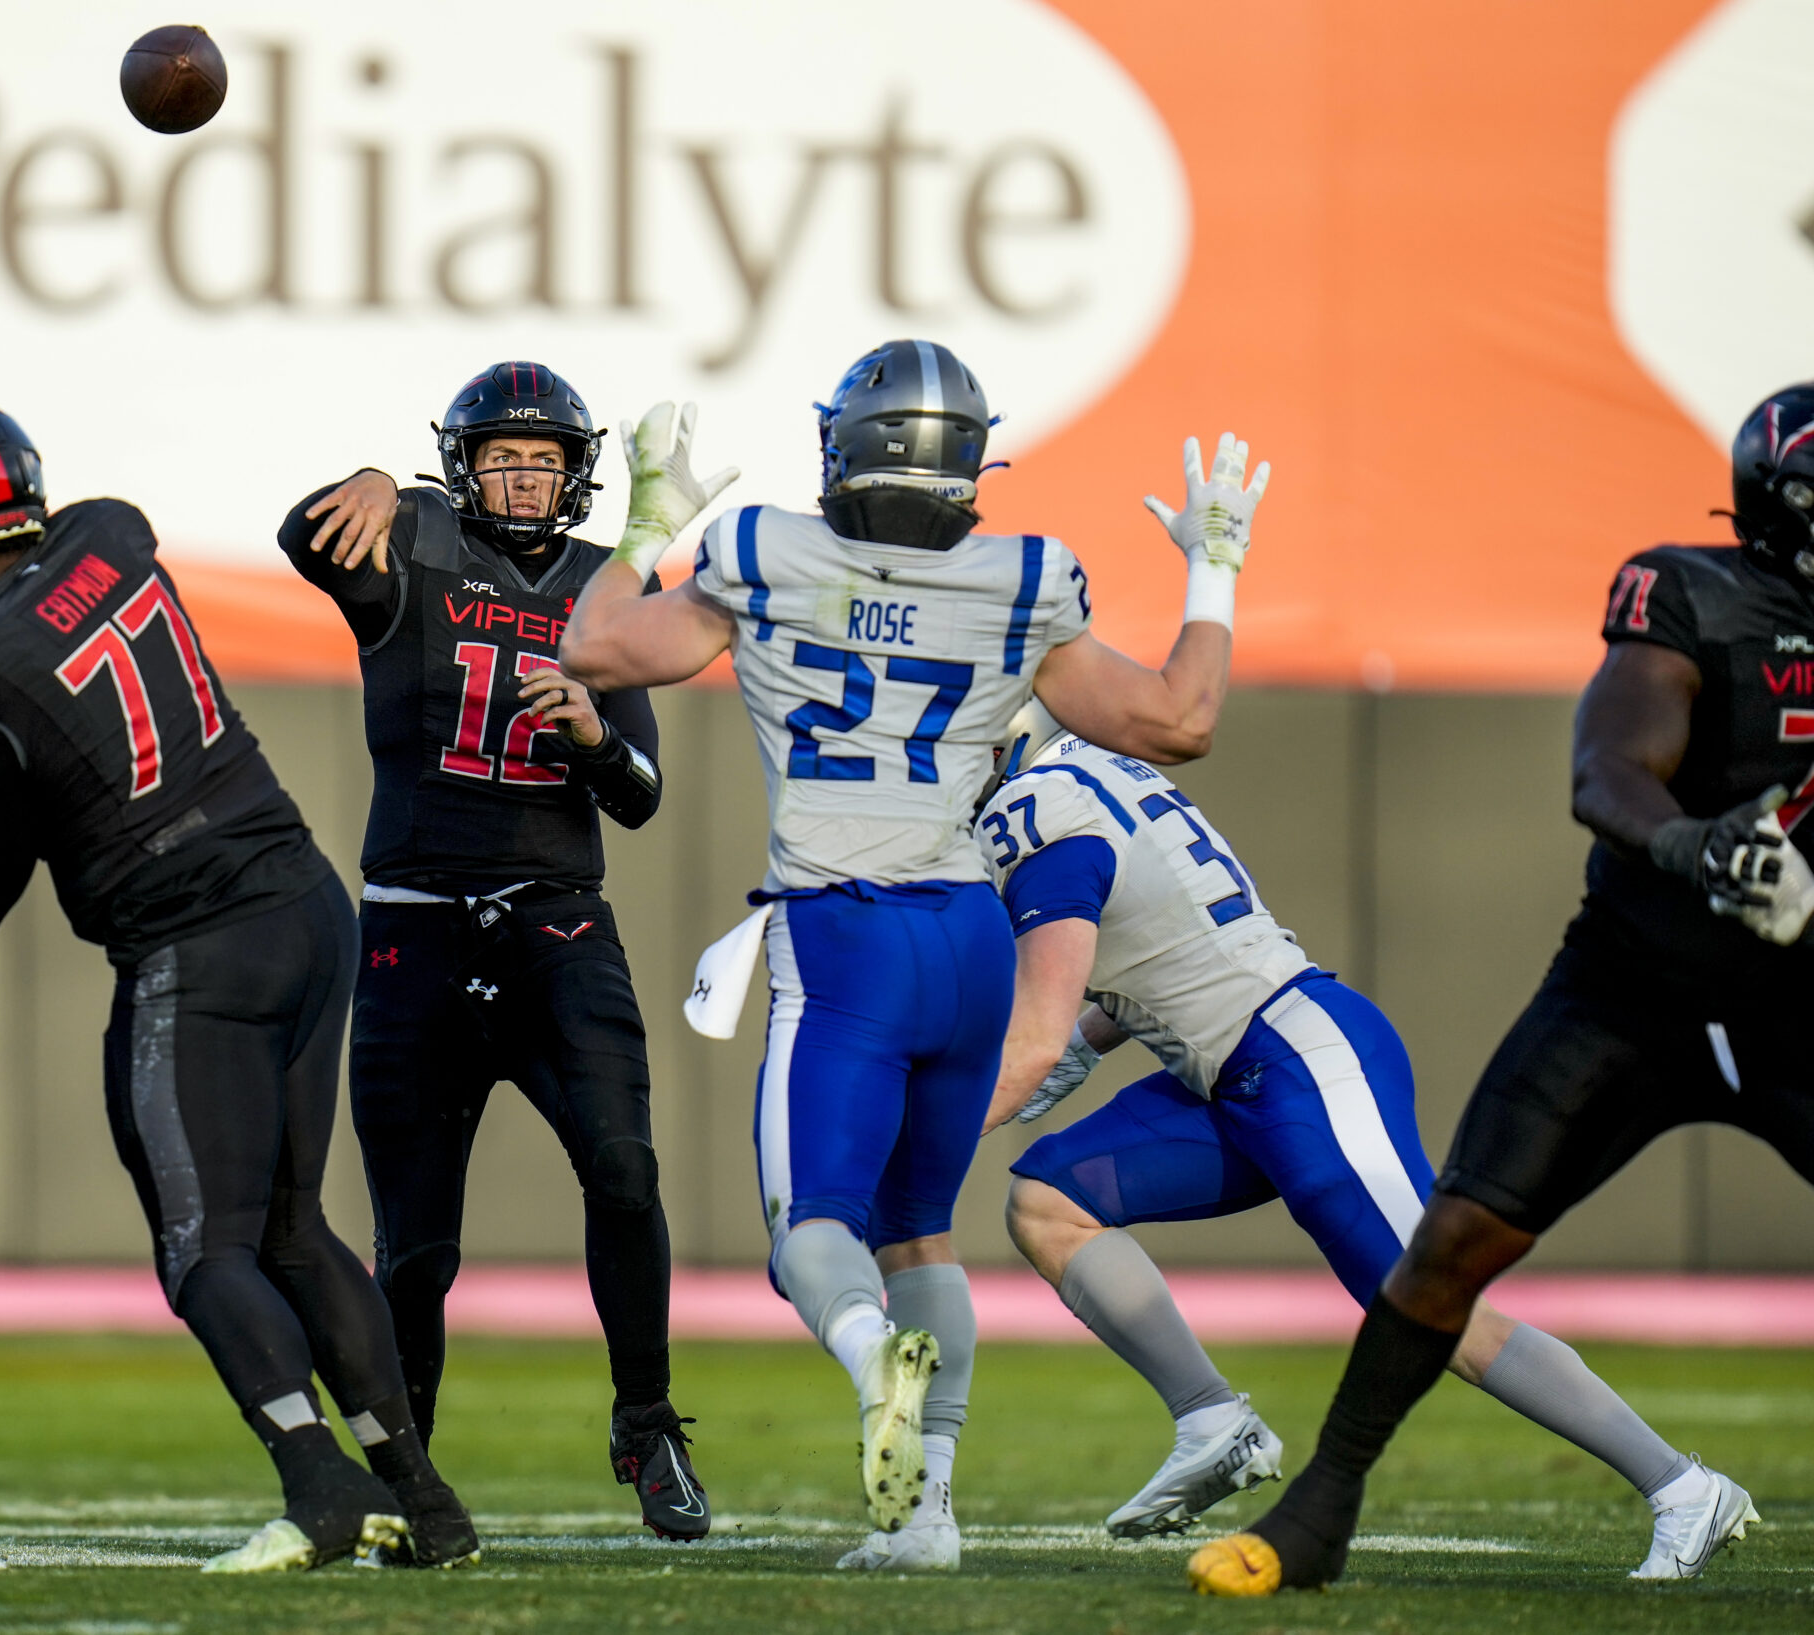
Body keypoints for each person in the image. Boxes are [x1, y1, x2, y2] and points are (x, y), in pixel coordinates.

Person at [0, 396, 479, 1574]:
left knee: (205, 1248)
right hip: (304, 901)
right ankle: (426, 1504)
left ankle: (319, 1484)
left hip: (195, 947)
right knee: (293, 1228)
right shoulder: (108, 535)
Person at [560, 339, 1270, 1569]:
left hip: (848, 935)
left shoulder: (766, 553)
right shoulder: (1022, 579)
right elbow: (1179, 719)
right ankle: (926, 1517)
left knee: (813, 1230)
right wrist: (1211, 567)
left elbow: (598, 649)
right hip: (970, 937)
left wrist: (649, 527)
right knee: (918, 1232)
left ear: (844, 447)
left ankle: (867, 1359)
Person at [1187, 386, 1814, 1597]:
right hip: (1638, 987)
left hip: (1798, 1001)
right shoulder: (1693, 595)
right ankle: (1320, 1510)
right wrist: (1693, 846)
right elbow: (1609, 765)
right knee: (1456, 1237)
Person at [976, 703, 1733, 1572]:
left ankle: (1682, 1486)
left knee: (1431, 1306)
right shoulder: (1093, 774)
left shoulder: (1033, 807)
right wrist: (1079, 1044)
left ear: (1002, 734)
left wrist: (932, 1133)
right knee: (1049, 1201)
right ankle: (1211, 1417)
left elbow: (1036, 1033)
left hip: (1299, 1060)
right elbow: (1164, 945)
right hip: (1239, 1071)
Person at [278, 361, 704, 1539]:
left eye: (543, 459)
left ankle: (646, 1420)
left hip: (556, 922)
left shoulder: (604, 586)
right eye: (501, 457)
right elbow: (306, 538)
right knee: (415, 1251)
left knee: (623, 1168)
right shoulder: (414, 546)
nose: (522, 477)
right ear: (460, 468)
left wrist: (590, 740)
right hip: (413, 923)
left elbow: (640, 794)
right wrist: (373, 481)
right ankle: (407, 1477)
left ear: (577, 475)